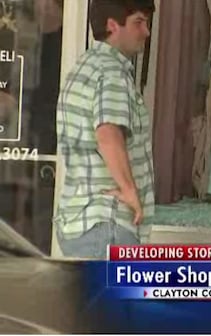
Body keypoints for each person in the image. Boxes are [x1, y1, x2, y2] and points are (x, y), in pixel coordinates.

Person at [53, 0, 155, 259]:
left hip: (81, 221)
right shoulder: (112, 73)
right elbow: (108, 132)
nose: (147, 32)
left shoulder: (84, 67)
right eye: (138, 23)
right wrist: (130, 192)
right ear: (112, 25)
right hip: (106, 224)